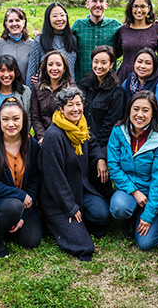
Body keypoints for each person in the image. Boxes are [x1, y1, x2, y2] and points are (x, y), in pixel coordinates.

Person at [38, 87, 110, 261]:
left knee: (102, 215)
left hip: (81, 188)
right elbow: (54, 177)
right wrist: (70, 207)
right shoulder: (54, 135)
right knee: (85, 246)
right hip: (58, 198)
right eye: (70, 105)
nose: (75, 109)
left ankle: (79, 219)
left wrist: (100, 158)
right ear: (61, 109)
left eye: (78, 104)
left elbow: (92, 143)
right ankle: (58, 222)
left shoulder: (81, 126)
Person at [0, 98, 41, 258]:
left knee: (31, 240)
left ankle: (12, 221)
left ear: (23, 119)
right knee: (13, 207)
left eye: (15, 119)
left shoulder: (31, 143)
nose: (10, 124)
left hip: (25, 204)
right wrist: (20, 195)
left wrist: (24, 215)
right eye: (5, 119)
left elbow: (34, 179)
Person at [108, 91, 158, 251]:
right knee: (119, 207)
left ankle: (146, 214)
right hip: (128, 189)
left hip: (151, 193)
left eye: (145, 110)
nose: (139, 114)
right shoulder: (118, 131)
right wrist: (134, 191)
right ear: (129, 110)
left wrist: (148, 216)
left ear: (153, 113)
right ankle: (131, 216)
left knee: (146, 244)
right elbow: (113, 167)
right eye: (136, 109)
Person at [72, 0, 122, 80]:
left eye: (101, 1)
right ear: (87, 4)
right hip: (82, 81)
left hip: (108, 83)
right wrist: (44, 35)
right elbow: (62, 40)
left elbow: (132, 35)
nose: (98, 5)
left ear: (106, 5)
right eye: (94, 1)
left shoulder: (115, 26)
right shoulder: (78, 26)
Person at [78, 45, 125, 149]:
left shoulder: (116, 90)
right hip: (79, 138)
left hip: (101, 144)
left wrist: (93, 144)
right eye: (95, 62)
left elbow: (110, 124)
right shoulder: (84, 84)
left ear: (111, 65)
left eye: (104, 63)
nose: (98, 66)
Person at [116, 0, 158, 82]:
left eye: (143, 6)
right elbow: (116, 53)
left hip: (148, 76)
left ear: (149, 8)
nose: (139, 10)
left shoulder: (157, 30)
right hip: (125, 75)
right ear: (131, 8)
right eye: (135, 6)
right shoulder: (123, 30)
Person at [26, 3, 77, 86]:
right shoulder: (40, 41)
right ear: (48, 19)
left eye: (62, 15)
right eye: (54, 16)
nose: (59, 19)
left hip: (68, 92)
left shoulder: (73, 39)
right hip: (46, 93)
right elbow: (31, 75)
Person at [30, 51, 75, 143]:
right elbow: (35, 117)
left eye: (58, 65)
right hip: (42, 138)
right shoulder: (38, 88)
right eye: (50, 64)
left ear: (64, 68)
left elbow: (73, 116)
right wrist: (42, 136)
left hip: (65, 137)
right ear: (46, 67)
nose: (54, 68)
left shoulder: (71, 88)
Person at [121, 48, 158, 124]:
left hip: (151, 129)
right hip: (127, 127)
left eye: (148, 63)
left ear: (154, 66)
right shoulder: (129, 80)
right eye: (139, 62)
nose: (142, 66)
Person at [0, 7, 33, 83]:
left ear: (23, 22)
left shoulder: (32, 45)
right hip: (4, 92)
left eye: (17, 20)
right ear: (6, 24)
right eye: (10, 21)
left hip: (26, 92)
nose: (14, 24)